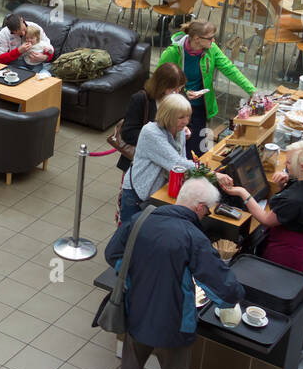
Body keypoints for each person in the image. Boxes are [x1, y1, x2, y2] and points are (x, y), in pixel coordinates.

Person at [108, 177, 245, 369]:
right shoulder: (193, 237)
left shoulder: (141, 219)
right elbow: (223, 285)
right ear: (200, 208)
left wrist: (140, 275)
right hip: (174, 323)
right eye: (208, 211)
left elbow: (113, 254)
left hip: (136, 311)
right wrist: (238, 296)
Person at [117, 92, 226, 227]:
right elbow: (177, 163)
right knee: (128, 237)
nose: (186, 121)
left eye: (188, 116)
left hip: (154, 194)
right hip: (137, 195)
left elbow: (183, 158)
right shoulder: (151, 132)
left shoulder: (178, 130)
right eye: (181, 117)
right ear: (168, 116)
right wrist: (212, 174)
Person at [227, 140, 303, 274]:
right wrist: (283, 186)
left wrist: (243, 193)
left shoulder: (294, 199)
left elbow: (266, 219)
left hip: (286, 252)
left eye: (288, 162)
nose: (285, 164)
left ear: (302, 166)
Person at [156, 19, 256, 153]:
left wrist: (252, 91)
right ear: (197, 39)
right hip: (177, 107)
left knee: (198, 150)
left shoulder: (211, 49)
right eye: (210, 38)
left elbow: (230, 69)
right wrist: (183, 94)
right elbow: (158, 81)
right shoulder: (173, 52)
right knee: (178, 148)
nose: (213, 41)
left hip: (200, 107)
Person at [109, 61, 186, 190]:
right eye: (174, 89)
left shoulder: (176, 100)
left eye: (180, 88)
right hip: (139, 166)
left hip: (163, 166)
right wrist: (157, 137)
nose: (178, 93)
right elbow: (128, 133)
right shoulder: (140, 100)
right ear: (162, 86)